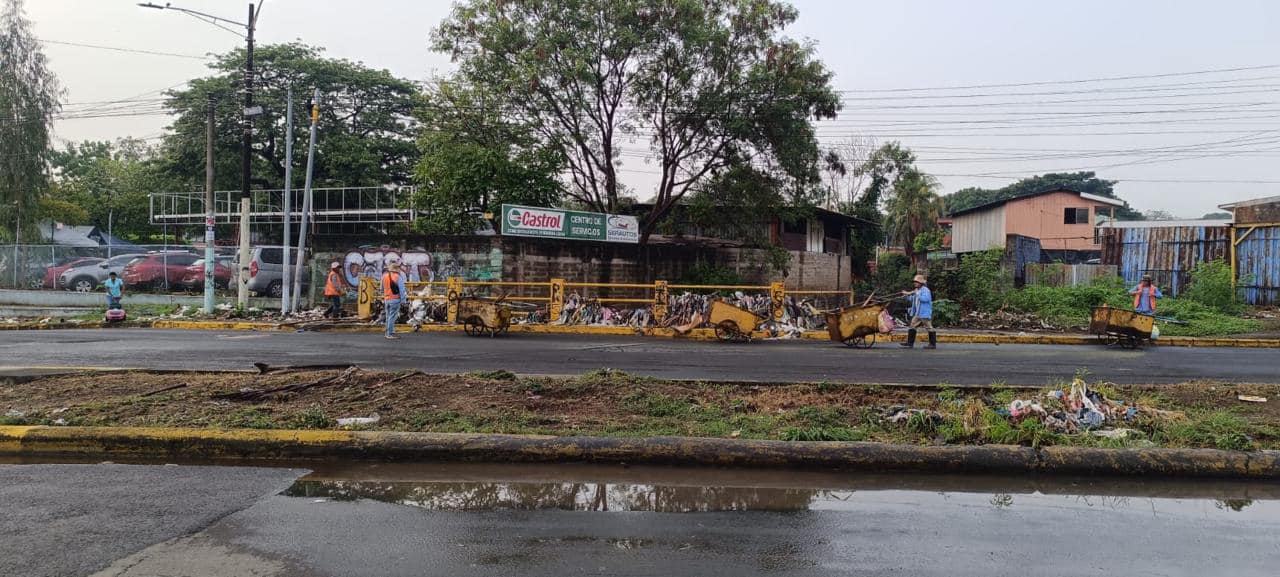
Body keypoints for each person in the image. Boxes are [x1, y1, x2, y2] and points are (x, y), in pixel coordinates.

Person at [900, 274, 936, 349]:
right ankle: (910, 343)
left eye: (916, 282)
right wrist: (907, 295)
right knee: (912, 326)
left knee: (929, 327)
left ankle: (932, 344)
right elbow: (912, 299)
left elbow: (925, 299)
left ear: (920, 283)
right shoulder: (917, 290)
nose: (915, 283)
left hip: (924, 313)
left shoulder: (926, 290)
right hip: (918, 313)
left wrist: (916, 293)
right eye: (914, 282)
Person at [381, 259, 407, 339]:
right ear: (397, 269)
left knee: (388, 316)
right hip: (395, 299)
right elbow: (402, 290)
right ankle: (389, 334)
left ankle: (389, 331)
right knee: (392, 316)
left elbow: (381, 288)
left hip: (387, 299)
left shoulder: (384, 276)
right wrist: (403, 301)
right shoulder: (398, 277)